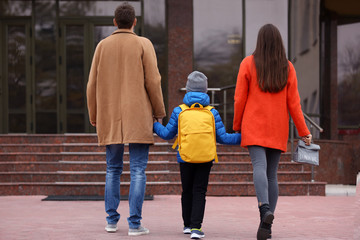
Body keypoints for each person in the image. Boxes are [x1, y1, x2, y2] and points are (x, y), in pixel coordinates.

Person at [86, 2, 166, 236]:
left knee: (112, 169)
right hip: (139, 115)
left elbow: (92, 84)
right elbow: (154, 81)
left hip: (110, 115)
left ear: (114, 22)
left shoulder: (102, 46)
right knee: (138, 170)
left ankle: (111, 222)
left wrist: (94, 114)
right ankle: (134, 224)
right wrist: (159, 112)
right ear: (134, 22)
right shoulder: (144, 44)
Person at [233, 24, 312, 240]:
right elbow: (295, 104)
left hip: (254, 125)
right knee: (272, 174)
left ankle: (264, 209)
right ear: (279, 42)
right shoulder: (287, 67)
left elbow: (239, 98)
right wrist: (304, 132)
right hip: (277, 127)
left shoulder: (248, 63)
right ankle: (266, 224)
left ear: (259, 41)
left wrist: (237, 124)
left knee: (259, 166)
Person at [154, 71, 241, 239]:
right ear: (205, 91)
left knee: (186, 190)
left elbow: (166, 134)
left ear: (187, 90)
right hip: (205, 157)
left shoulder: (179, 111)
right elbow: (223, 138)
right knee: (200, 191)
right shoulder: (212, 112)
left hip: (185, 157)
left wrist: (154, 125)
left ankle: (186, 225)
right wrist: (244, 138)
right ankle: (196, 228)